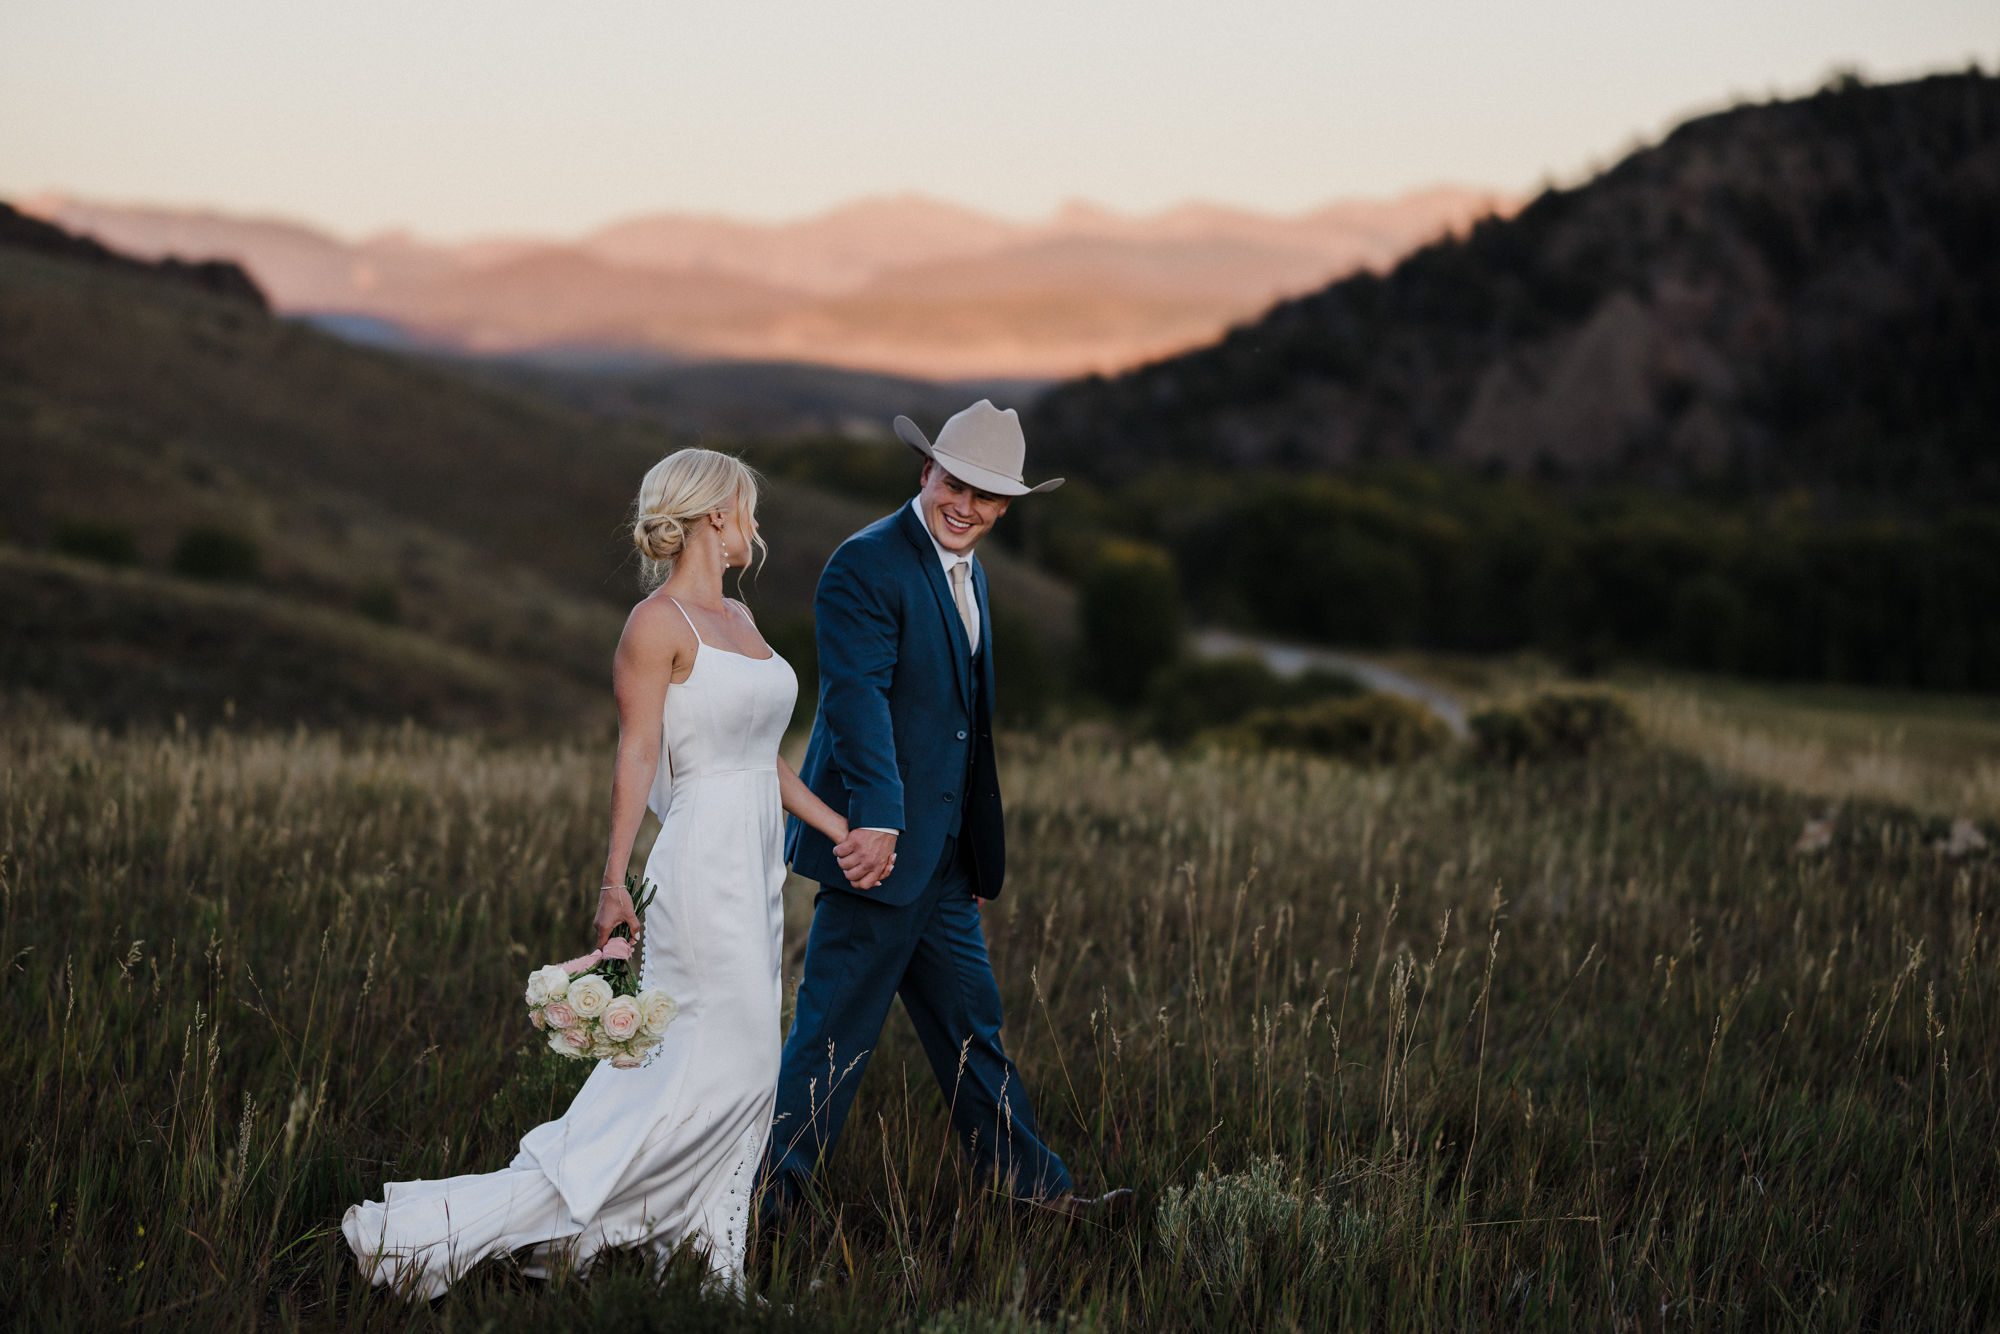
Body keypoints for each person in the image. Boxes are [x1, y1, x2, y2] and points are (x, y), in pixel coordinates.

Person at [343, 449, 846, 1298]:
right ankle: (440, 1233)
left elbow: (766, 761)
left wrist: (840, 829)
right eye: (748, 508)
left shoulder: (746, 622)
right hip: (698, 865)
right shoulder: (655, 626)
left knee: (748, 1068)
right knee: (723, 1065)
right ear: (717, 514)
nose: (756, 524)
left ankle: (711, 1262)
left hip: (755, 869)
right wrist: (615, 881)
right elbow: (637, 753)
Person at [762, 399, 1131, 1221]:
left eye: (989, 496)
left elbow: (960, 725)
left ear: (1009, 505)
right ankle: (765, 1206)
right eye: (955, 484)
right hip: (877, 850)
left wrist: (967, 849)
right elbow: (857, 700)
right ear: (925, 471)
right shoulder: (866, 564)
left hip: (945, 865)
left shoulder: (971, 568)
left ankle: (1035, 1195)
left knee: (975, 1037)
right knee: (830, 1041)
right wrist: (883, 824)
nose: (967, 507)